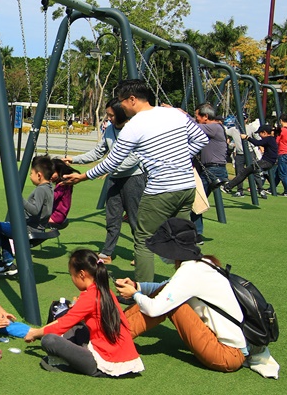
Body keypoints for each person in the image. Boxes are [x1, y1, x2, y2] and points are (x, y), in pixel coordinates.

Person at [61, 79, 208, 283]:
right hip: (186, 187)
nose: (120, 106)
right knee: (183, 239)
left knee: (143, 239)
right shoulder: (174, 114)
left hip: (161, 189)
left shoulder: (135, 125)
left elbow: (111, 163)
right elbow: (202, 139)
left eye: (121, 102)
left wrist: (82, 176)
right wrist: (179, 160)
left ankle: (141, 292)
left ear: (132, 99)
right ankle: (190, 286)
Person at [113, 217, 248, 373]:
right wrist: (138, 286)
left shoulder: (189, 272)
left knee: (171, 305)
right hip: (231, 348)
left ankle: (114, 338)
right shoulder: (202, 263)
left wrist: (135, 294)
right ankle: (114, 330)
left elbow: (155, 309)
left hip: (227, 355)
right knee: (166, 296)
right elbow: (166, 288)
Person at [23, 248, 144, 377]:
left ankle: (68, 363)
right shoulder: (105, 290)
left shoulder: (90, 296)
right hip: (124, 354)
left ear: (81, 274)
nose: (72, 279)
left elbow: (62, 324)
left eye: (72, 275)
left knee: (49, 340)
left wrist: (35, 333)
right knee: (74, 327)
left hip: (104, 361)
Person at [64, 98, 145, 263]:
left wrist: (108, 169)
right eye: (107, 115)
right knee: (112, 216)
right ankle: (107, 252)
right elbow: (97, 152)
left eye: (112, 115)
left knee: (134, 217)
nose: (109, 119)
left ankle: (141, 252)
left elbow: (134, 158)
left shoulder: (134, 130)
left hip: (133, 178)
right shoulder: (110, 130)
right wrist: (74, 159)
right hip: (114, 178)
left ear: (122, 114)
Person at [0, 155, 54, 276]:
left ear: (39, 175)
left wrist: (20, 199)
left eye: (31, 173)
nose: (30, 176)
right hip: (36, 227)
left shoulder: (40, 190)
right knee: (2, 229)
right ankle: (8, 264)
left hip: (28, 230)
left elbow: (35, 210)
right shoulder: (49, 188)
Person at [190, 103, 229, 238]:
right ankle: (196, 232)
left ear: (206, 116)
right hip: (213, 169)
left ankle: (197, 233)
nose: (196, 119)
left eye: (197, 117)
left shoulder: (214, 127)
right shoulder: (214, 128)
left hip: (213, 169)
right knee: (197, 200)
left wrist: (178, 113)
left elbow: (191, 125)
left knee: (197, 201)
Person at [222, 125, 277, 197]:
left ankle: (228, 187)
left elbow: (257, 143)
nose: (259, 135)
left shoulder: (268, 139)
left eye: (260, 133)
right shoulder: (271, 139)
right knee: (248, 172)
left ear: (264, 133)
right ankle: (260, 188)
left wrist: (247, 137)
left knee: (244, 172)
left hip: (265, 162)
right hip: (268, 162)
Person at [47, 157, 74, 228]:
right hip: (60, 215)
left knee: (29, 220)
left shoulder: (62, 185)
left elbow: (51, 198)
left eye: (51, 173)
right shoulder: (66, 183)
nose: (49, 175)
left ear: (59, 171)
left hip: (56, 216)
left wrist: (46, 184)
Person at [223, 117, 247, 198]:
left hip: (250, 153)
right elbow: (225, 130)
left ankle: (260, 188)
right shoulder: (233, 129)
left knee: (255, 171)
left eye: (244, 119)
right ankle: (240, 190)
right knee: (239, 173)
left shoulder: (250, 128)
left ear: (246, 120)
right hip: (240, 154)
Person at [273, 114, 287, 197]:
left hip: (283, 152)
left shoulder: (281, 130)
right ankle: (272, 187)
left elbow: (277, 141)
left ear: (281, 121)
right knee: (279, 171)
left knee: (282, 173)